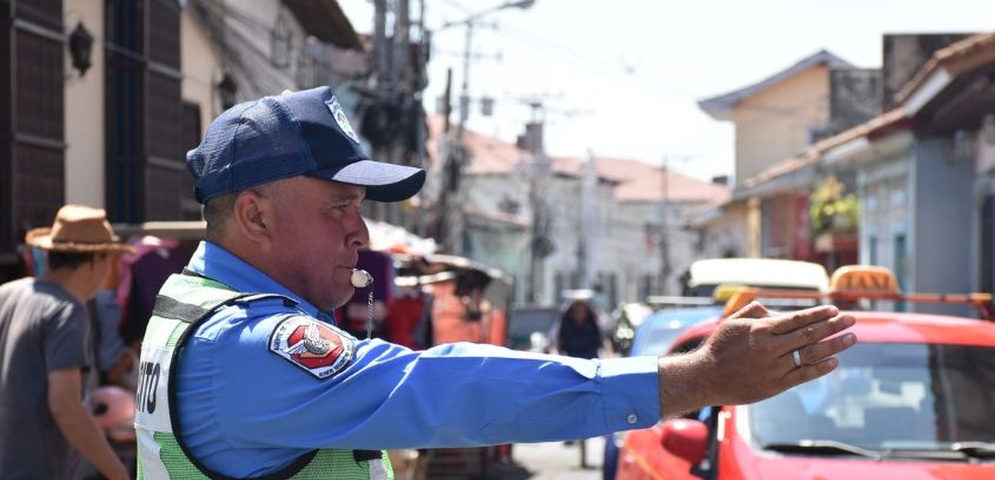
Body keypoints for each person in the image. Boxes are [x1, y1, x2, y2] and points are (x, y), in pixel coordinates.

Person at [134, 86, 858, 479]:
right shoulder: (250, 342)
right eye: (340, 207)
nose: (361, 232)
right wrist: (690, 381)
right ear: (254, 214)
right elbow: (444, 388)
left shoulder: (198, 303)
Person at [0, 205, 133, 480]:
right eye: (110, 260)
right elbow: (66, 406)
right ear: (96, 260)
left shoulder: (7, 294)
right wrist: (118, 473)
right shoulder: (67, 311)